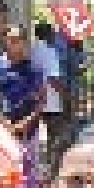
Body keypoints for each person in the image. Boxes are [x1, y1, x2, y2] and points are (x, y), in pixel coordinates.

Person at [0, 24, 47, 188]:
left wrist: (26, 122)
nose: (15, 43)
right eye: (11, 40)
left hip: (29, 127)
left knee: (29, 166)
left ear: (25, 42)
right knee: (6, 164)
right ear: (5, 41)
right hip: (2, 125)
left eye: (19, 40)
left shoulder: (34, 69)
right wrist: (3, 123)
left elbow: (42, 100)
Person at [31, 21, 68, 174]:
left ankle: (35, 169)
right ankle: (53, 171)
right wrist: (65, 96)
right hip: (52, 103)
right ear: (48, 34)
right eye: (52, 33)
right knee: (55, 139)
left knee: (34, 138)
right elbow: (53, 79)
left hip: (36, 101)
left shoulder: (32, 50)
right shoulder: (50, 52)